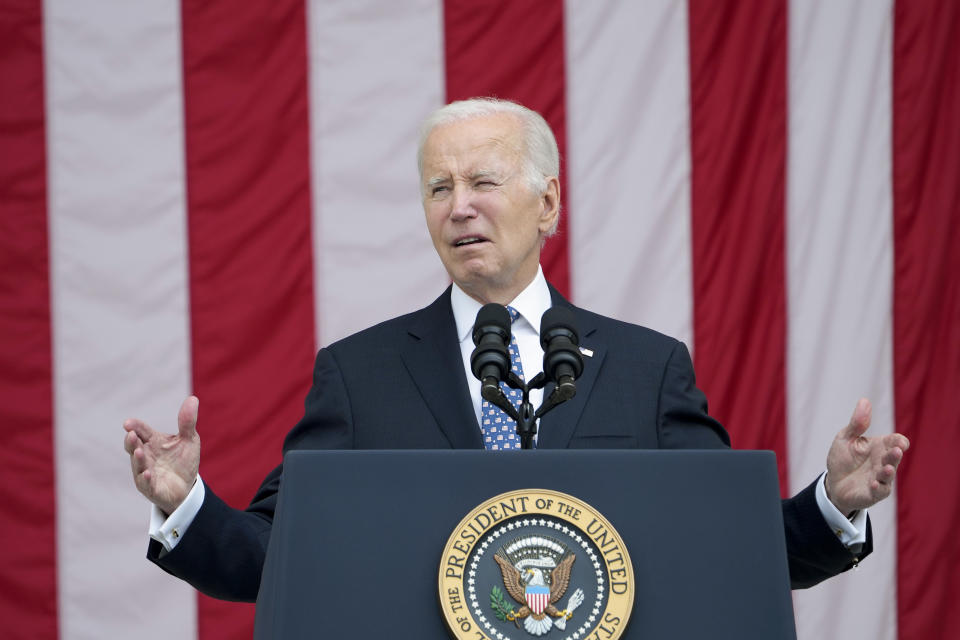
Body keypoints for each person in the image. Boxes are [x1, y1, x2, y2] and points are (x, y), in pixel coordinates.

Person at [123, 98, 909, 601]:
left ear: (549, 202)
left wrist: (831, 503)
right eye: (439, 188)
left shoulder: (645, 369)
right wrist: (184, 503)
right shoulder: (359, 376)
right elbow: (276, 560)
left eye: (484, 182)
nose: (459, 207)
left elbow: (728, 550)